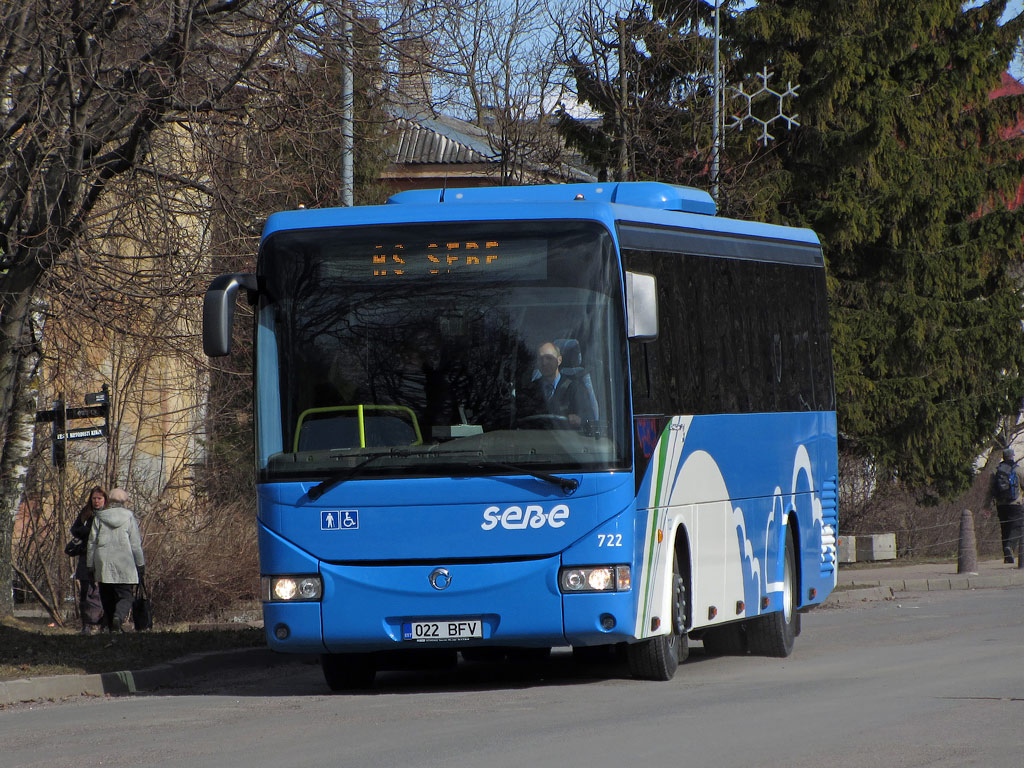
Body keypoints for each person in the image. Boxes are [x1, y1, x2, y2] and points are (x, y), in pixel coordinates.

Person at [86, 487, 145, 633]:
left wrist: (90, 564)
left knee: (106, 594)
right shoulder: (129, 517)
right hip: (124, 561)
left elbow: (92, 543)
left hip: (103, 561)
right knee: (125, 595)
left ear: (109, 500)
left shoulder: (100, 517)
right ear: (124, 501)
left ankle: (112, 626)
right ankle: (118, 617)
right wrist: (140, 564)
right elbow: (135, 544)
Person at [517, 341, 596, 428]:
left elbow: (590, 418)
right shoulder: (530, 390)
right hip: (533, 439)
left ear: (559, 360)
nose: (544, 363)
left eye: (549, 358)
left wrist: (579, 419)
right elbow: (520, 418)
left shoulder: (575, 387)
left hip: (568, 439)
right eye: (540, 359)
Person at [70, 486, 106, 634]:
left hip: (103, 556)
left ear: (105, 499)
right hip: (86, 556)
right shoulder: (87, 512)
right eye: (94, 498)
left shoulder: (108, 515)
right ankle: (86, 625)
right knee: (85, 591)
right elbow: (75, 529)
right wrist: (87, 531)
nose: (96, 501)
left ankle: (104, 624)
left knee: (103, 592)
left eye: (99, 498)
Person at [991, 448, 1024, 564]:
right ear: (1012, 456)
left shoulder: (997, 471)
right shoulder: (1018, 469)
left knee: (1004, 528)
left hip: (1001, 504)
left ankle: (1007, 556)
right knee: (1017, 526)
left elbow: (991, 490)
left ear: (1003, 457)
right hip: (1015, 504)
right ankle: (1009, 547)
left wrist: (987, 506)